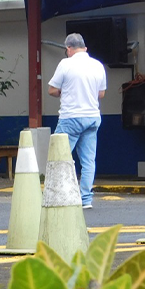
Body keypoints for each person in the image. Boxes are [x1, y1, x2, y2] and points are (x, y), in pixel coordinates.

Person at [47, 33, 107, 209]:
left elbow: (52, 90)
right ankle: (86, 199)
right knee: (88, 161)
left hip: (71, 118)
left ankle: (56, 196)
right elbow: (101, 94)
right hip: (92, 117)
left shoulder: (66, 64)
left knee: (58, 156)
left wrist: (63, 92)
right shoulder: (97, 65)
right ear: (85, 48)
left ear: (68, 49)